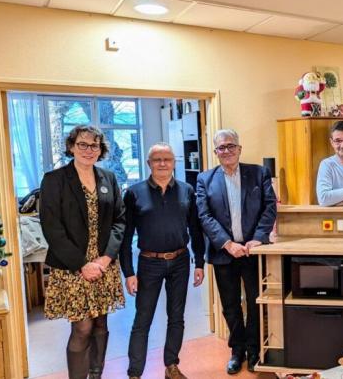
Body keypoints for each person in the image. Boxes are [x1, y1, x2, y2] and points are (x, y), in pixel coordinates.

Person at [39, 125, 125, 379]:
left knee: (101, 323)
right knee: (83, 328)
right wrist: (82, 264)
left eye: (94, 145)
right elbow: (52, 228)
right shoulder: (54, 180)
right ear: (71, 147)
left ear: (101, 149)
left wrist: (107, 257)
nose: (89, 150)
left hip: (104, 265)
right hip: (72, 268)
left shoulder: (108, 177)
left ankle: (96, 374)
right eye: (83, 144)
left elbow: (119, 220)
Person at [120, 143, 206, 379]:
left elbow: (196, 231)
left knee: (176, 317)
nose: (162, 163)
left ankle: (171, 366)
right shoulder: (134, 193)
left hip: (180, 261)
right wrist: (128, 272)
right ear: (149, 163)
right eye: (157, 159)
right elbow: (125, 237)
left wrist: (199, 262)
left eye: (167, 159)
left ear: (174, 162)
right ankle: (135, 373)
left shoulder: (187, 190)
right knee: (142, 319)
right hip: (149, 264)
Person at [196, 129, 277, 374]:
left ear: (240, 149)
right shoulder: (204, 179)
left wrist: (258, 239)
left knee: (255, 303)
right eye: (222, 147)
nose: (227, 151)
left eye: (231, 146)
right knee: (230, 305)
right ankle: (237, 350)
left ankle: (254, 350)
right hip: (224, 254)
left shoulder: (259, 173)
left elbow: (270, 206)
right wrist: (227, 243)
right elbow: (204, 215)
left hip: (253, 253)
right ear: (215, 152)